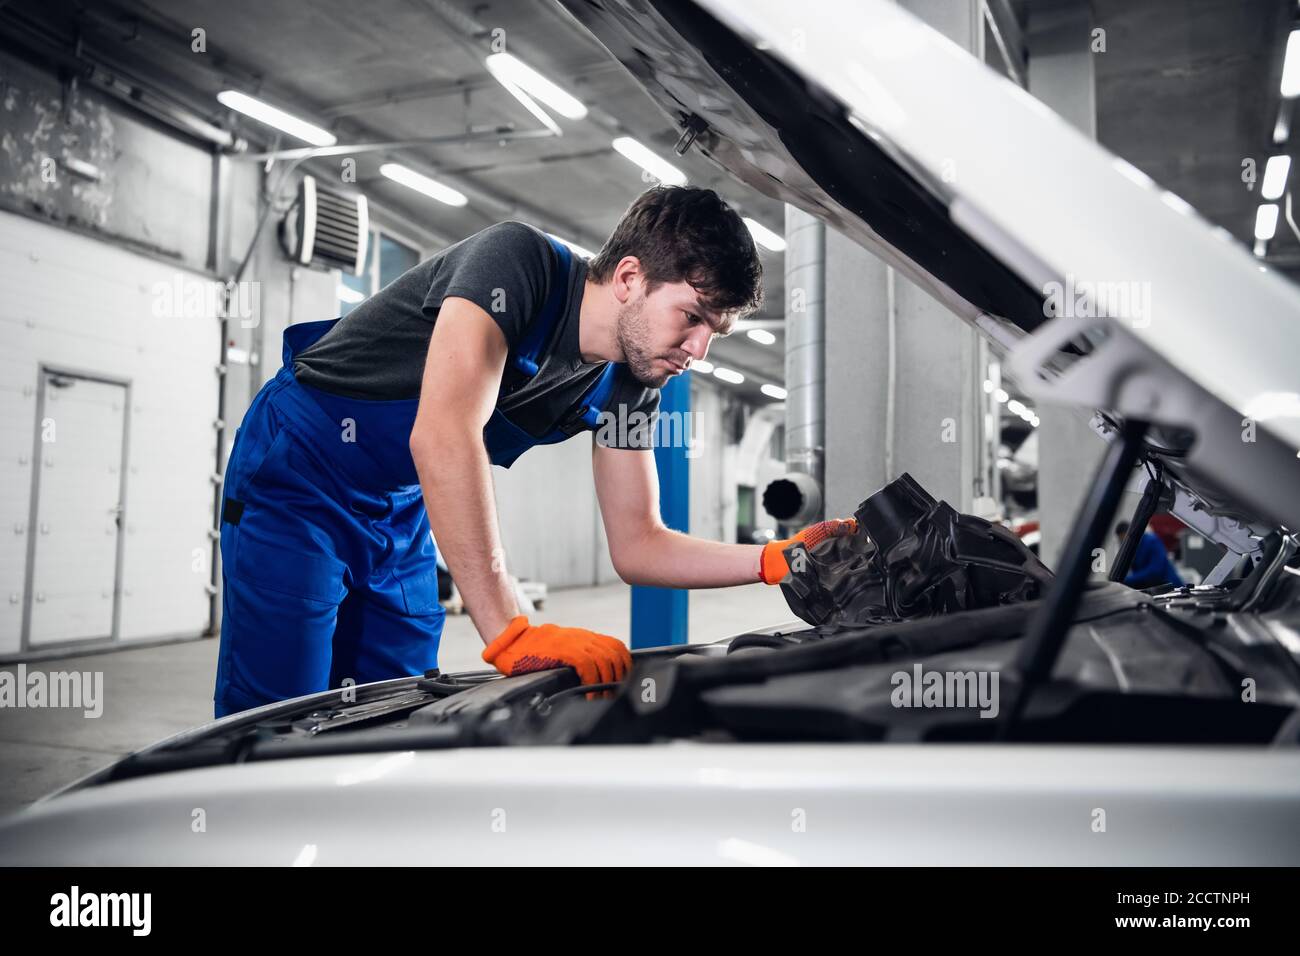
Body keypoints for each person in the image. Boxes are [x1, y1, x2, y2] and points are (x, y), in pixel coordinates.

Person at [213, 185, 856, 716]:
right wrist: (511, 632)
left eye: (713, 332)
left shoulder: (633, 386)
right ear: (629, 277)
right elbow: (443, 434)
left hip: (397, 503)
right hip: (297, 470)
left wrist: (775, 558)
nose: (699, 351)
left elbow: (639, 543)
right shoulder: (515, 266)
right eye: (691, 316)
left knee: (390, 705)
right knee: (278, 715)